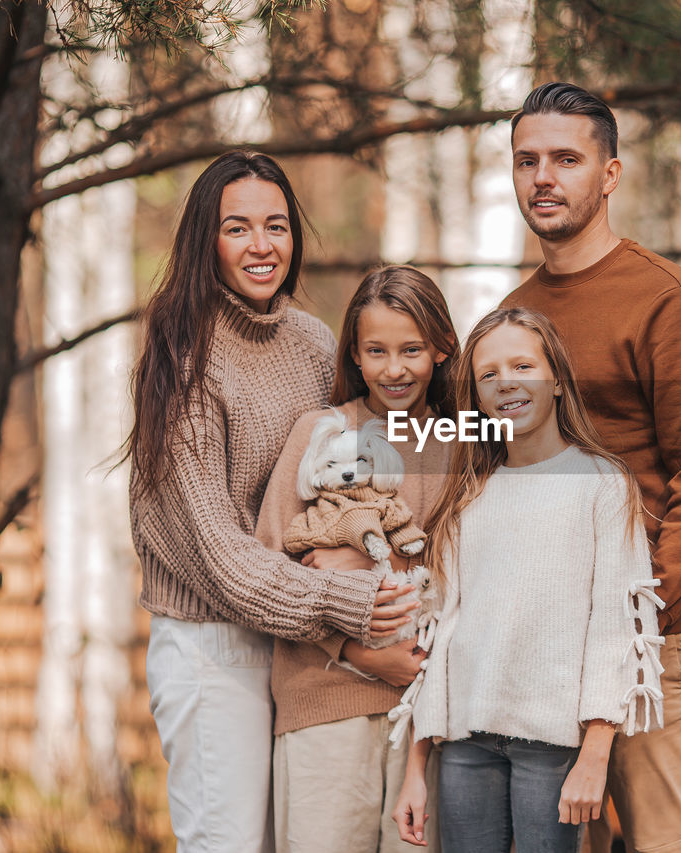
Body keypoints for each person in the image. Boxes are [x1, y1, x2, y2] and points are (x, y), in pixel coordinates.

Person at [125, 152, 418, 852]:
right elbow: (222, 555)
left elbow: (345, 476)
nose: (262, 246)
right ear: (207, 241)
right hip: (214, 647)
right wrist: (345, 605)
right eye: (238, 228)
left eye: (276, 226)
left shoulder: (314, 343)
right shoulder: (181, 356)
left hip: (297, 643)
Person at [501, 82, 681, 853]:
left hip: (654, 644)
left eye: (566, 159)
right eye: (528, 160)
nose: (544, 177)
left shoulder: (665, 302)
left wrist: (637, 623)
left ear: (610, 174)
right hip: (545, 647)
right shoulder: (513, 318)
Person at [392, 306, 666, 853]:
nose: (506, 383)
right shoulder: (469, 495)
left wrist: (595, 754)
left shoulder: (602, 485)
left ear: (558, 380)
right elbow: (439, 635)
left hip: (554, 747)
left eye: (522, 366)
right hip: (466, 743)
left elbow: (614, 630)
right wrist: (416, 769)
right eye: (488, 374)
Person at [255, 265, 458, 852]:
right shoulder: (321, 433)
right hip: (325, 703)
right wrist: (361, 652)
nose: (394, 369)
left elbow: (459, 571)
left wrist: (366, 565)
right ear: (356, 354)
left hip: (425, 719)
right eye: (377, 350)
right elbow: (272, 569)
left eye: (412, 350)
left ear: (441, 349)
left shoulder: (461, 445)